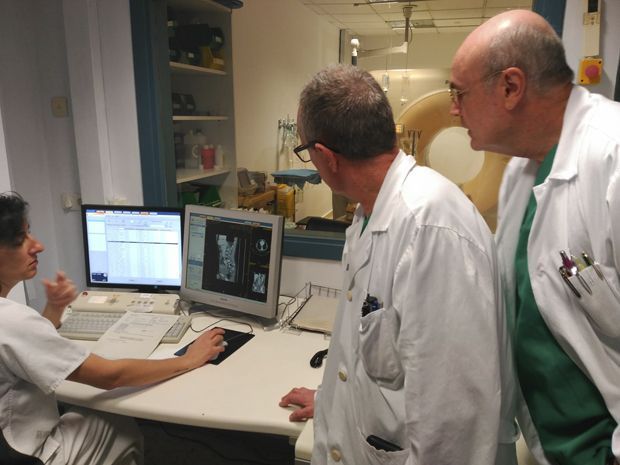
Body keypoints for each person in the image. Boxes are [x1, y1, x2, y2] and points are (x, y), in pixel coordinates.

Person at [279, 64, 516, 464]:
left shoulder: (431, 230)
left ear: (325, 157)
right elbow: (371, 353)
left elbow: (457, 424)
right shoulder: (369, 213)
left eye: (306, 152)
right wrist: (332, 400)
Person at [450, 9, 620, 465]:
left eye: (459, 93)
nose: (452, 109)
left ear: (511, 87)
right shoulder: (520, 172)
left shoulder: (612, 156)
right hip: (551, 444)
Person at [0, 192, 226, 465]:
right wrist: (189, 359)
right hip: (30, 455)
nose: (38, 246)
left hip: (14, 443)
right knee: (118, 422)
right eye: (20, 239)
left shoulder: (12, 320)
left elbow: (27, 348)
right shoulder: (12, 320)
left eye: (30, 232)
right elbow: (111, 377)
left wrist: (55, 308)